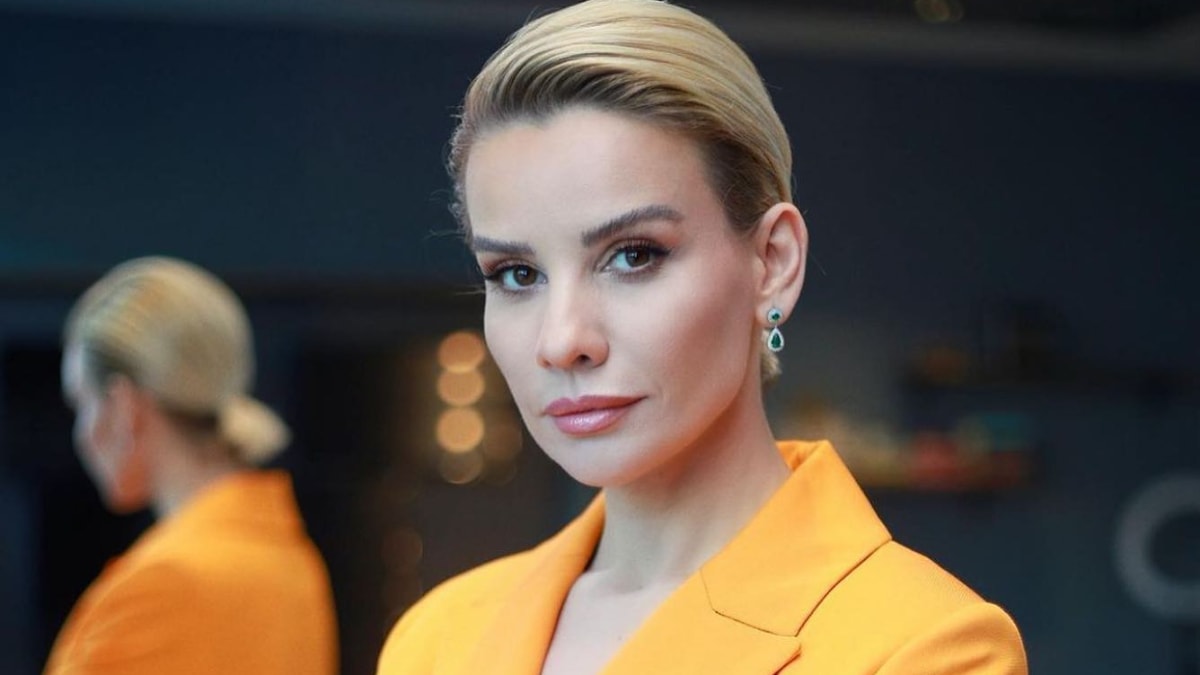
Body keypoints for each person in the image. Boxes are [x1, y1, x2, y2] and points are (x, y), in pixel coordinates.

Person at [378, 0, 1028, 672]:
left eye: (633, 255)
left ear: (772, 263)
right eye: (517, 274)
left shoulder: (925, 646)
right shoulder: (436, 638)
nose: (562, 339)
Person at [47, 257, 337, 675]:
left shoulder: (158, 585)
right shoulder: (294, 564)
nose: (82, 434)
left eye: (81, 403)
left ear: (124, 408)